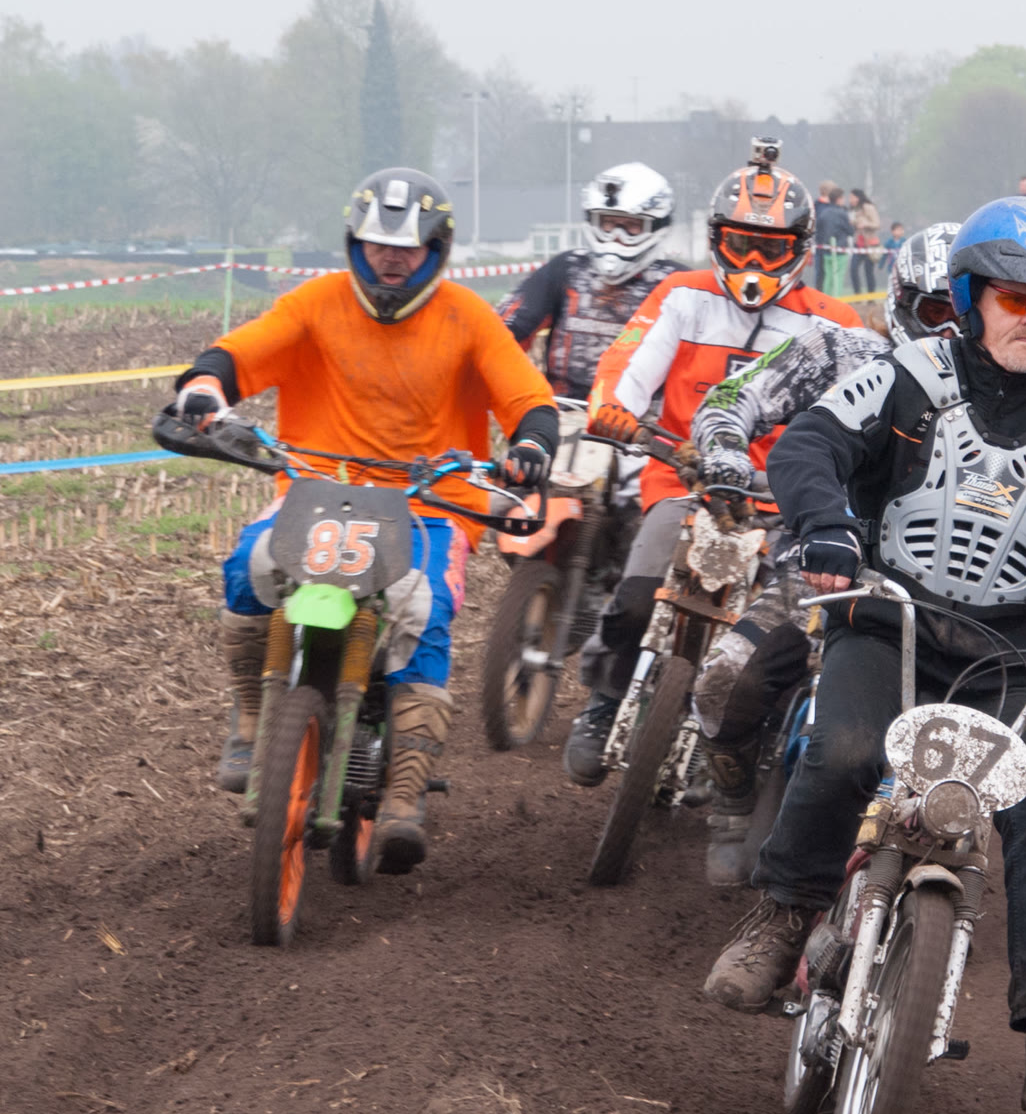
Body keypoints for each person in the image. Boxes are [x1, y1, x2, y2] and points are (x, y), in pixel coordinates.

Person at [703, 195, 1026, 1114]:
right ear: (970, 298)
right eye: (1014, 299)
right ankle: (784, 918)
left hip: (1009, 656)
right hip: (889, 623)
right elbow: (809, 445)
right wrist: (826, 527)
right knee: (844, 750)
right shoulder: (906, 377)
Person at [173, 167, 556, 872]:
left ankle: (406, 791)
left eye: (407, 247)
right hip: (315, 490)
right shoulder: (316, 303)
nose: (391, 259)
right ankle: (252, 718)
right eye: (378, 244)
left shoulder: (468, 317)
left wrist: (531, 446)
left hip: (430, 506)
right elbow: (242, 352)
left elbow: (527, 398)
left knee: (421, 608)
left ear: (436, 249)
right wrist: (204, 386)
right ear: (355, 243)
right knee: (249, 566)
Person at [566, 142, 865, 785]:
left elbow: (859, 415)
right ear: (715, 240)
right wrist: (613, 409)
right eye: (740, 244)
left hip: (783, 501)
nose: (753, 263)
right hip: (686, 478)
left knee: (786, 635)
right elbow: (627, 364)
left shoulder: (833, 322)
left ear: (801, 249)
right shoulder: (681, 295)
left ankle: (742, 745)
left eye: (771, 249)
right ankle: (605, 701)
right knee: (638, 594)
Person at [682, 222, 961, 883]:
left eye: (969, 314)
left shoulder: (1010, 396)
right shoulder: (840, 349)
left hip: (943, 596)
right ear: (903, 303)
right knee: (726, 680)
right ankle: (731, 800)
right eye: (937, 312)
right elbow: (734, 395)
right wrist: (725, 452)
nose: (953, 332)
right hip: (816, 569)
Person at [495, 162, 684, 401]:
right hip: (564, 412)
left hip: (645, 418)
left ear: (656, 225)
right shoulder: (568, 269)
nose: (617, 236)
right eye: (608, 223)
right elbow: (502, 334)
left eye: (632, 226)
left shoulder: (679, 285)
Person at [814, 183, 853, 296]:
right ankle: (837, 298)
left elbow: (818, 230)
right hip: (840, 250)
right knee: (838, 276)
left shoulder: (823, 213)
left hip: (826, 249)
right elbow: (850, 231)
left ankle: (826, 298)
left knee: (828, 277)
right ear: (839, 199)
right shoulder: (842, 213)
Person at [848, 189, 883, 295]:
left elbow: (877, 224)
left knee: (869, 271)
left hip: (870, 244)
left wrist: (866, 224)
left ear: (858, 198)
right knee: (853, 268)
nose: (850, 200)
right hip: (858, 244)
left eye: (852, 197)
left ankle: (871, 296)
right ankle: (857, 294)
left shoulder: (868, 207)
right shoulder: (853, 210)